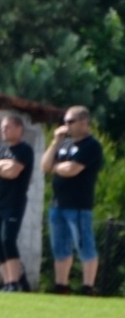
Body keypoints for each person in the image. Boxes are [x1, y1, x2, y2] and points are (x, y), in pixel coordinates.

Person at [42, 105, 106, 296]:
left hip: (78, 205)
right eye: (65, 121)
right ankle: (61, 285)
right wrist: (55, 142)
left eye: (70, 121)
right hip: (57, 204)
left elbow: (72, 170)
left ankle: (88, 287)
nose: (66, 125)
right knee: (60, 247)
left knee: (84, 245)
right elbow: (44, 165)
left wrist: (56, 166)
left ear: (84, 123)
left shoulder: (91, 146)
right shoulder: (64, 144)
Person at [0, 115, 35, 292]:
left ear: (19, 129)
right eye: (2, 127)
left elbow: (13, 172)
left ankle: (15, 281)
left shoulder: (25, 150)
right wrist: (2, 163)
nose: (3, 130)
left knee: (8, 240)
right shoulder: (1, 149)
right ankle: (8, 282)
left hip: (13, 203)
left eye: (8, 127)